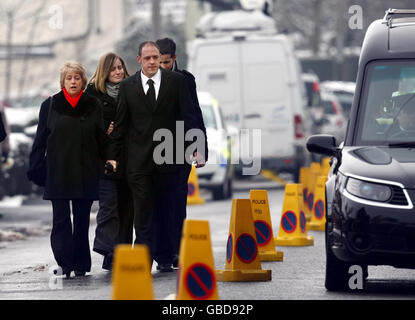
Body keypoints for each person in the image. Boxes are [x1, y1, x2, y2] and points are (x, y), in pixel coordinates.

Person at [106, 41, 203, 271]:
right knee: (143, 213)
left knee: (167, 210)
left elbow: (190, 116)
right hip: (138, 163)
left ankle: (167, 255)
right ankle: (143, 262)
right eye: (147, 58)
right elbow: (120, 125)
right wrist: (113, 157)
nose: (152, 62)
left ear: (161, 59)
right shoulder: (128, 86)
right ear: (139, 59)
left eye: (155, 57)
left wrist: (197, 147)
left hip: (169, 159)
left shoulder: (176, 82)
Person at [27, 61, 108, 278]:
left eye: (77, 78)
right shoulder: (51, 105)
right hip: (59, 171)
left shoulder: (93, 105)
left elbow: (101, 139)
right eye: (69, 78)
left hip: (85, 170)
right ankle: (64, 262)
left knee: (81, 221)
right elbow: (40, 140)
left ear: (83, 81)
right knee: (61, 220)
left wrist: (108, 162)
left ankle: (81, 263)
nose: (73, 82)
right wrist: (35, 167)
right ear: (63, 81)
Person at [155, 37, 208, 269]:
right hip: (153, 150)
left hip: (179, 149)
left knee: (177, 201)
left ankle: (175, 251)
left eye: (165, 62)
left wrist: (200, 147)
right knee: (158, 202)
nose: (161, 67)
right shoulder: (146, 81)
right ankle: (162, 252)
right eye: (158, 62)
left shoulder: (186, 81)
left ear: (173, 59)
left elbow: (194, 114)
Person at [86, 53, 134, 271]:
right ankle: (107, 247)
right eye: (113, 68)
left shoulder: (132, 91)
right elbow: (86, 130)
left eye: (120, 67)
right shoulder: (92, 96)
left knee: (127, 209)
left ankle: (119, 254)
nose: (118, 72)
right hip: (104, 159)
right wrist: (106, 131)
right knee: (109, 205)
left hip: (129, 159)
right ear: (104, 71)